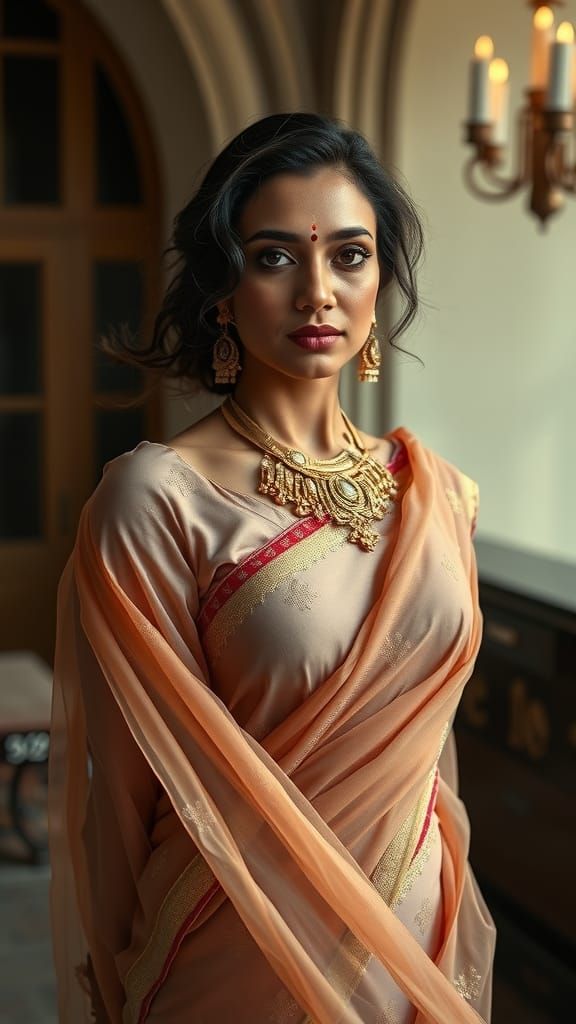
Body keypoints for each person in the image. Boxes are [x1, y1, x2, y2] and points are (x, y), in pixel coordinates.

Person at [49, 112, 496, 1024]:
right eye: (276, 256)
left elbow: (429, 758)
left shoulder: (437, 496)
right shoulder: (157, 501)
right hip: (233, 963)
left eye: (350, 255)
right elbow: (126, 802)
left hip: (417, 959)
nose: (319, 292)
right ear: (221, 289)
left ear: (380, 280)